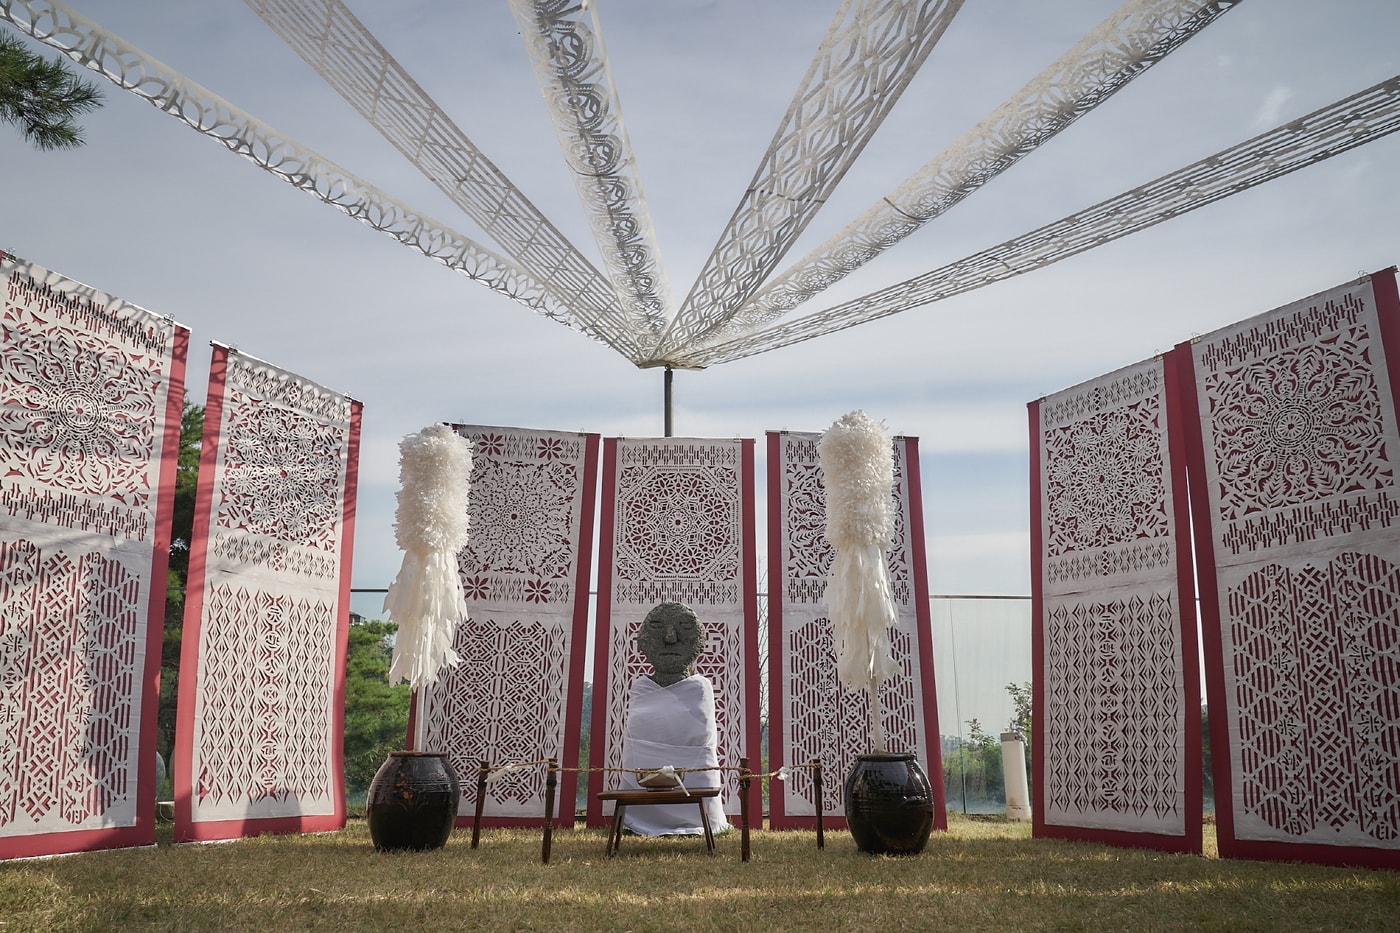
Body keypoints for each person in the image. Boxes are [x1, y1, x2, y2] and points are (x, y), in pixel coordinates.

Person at [619, 601, 729, 835]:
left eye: (685, 627)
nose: (670, 637)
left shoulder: (699, 689)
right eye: (657, 626)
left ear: (701, 641)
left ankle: (695, 819)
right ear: (642, 640)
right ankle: (639, 819)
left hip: (693, 783)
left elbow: (700, 744)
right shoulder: (641, 688)